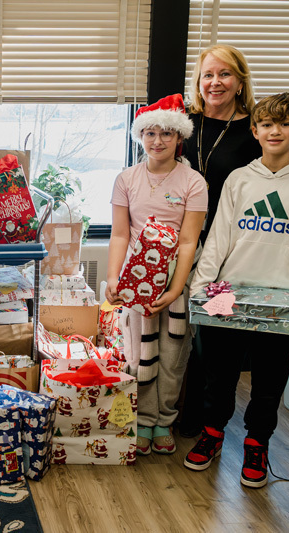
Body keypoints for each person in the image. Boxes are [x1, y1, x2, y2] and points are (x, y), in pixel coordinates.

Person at [184, 93, 289, 488]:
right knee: (219, 375)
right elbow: (218, 238)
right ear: (255, 131)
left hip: (282, 298)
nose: (275, 131)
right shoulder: (239, 178)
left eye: (285, 124)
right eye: (267, 124)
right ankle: (213, 433)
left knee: (268, 383)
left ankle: (256, 443)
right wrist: (201, 288)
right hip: (226, 292)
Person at [105, 94, 207, 456]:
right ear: (140, 136)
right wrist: (114, 278)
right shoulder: (126, 178)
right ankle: (143, 420)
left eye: (166, 133)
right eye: (149, 132)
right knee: (139, 352)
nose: (157, 140)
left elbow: (188, 241)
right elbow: (120, 234)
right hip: (136, 280)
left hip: (176, 282)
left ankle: (165, 418)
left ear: (179, 137)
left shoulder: (193, 182)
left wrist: (176, 287)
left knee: (173, 352)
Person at [178, 44, 264, 438]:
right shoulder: (180, 123)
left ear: (240, 80)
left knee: (212, 336)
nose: (215, 82)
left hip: (226, 251)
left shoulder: (253, 132)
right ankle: (168, 409)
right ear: (199, 81)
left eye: (225, 74)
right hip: (174, 244)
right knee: (172, 331)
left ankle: (205, 418)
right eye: (208, 74)